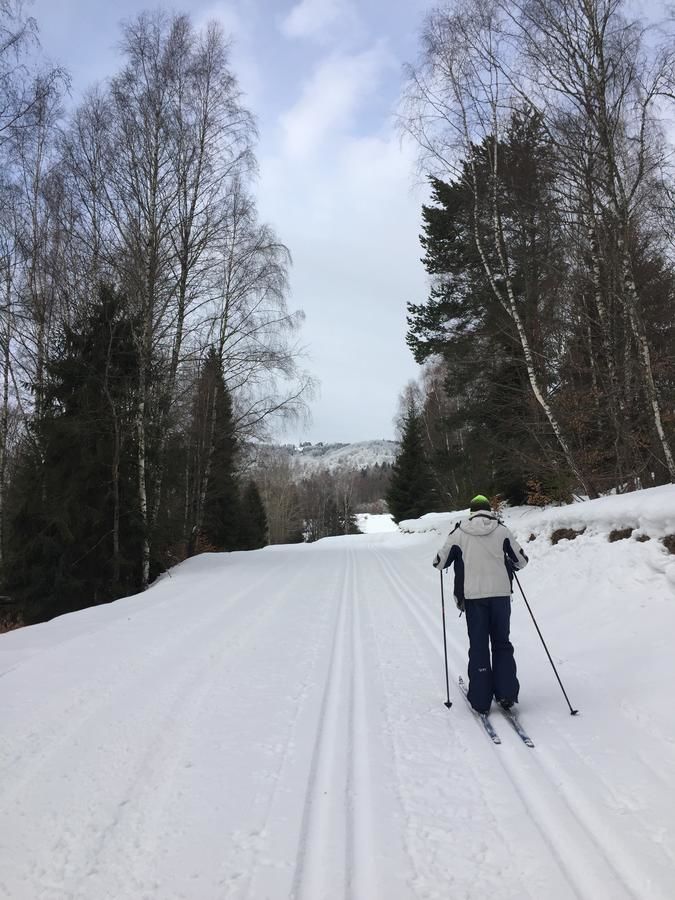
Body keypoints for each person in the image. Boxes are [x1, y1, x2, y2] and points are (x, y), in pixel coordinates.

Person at [432, 494, 529, 715]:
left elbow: (439, 561)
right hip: (501, 596)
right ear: (488, 510)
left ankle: (480, 699)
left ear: (471, 511)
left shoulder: (458, 532)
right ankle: (506, 693)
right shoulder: (502, 530)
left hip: (473, 597)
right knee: (502, 642)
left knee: (478, 644)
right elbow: (521, 561)